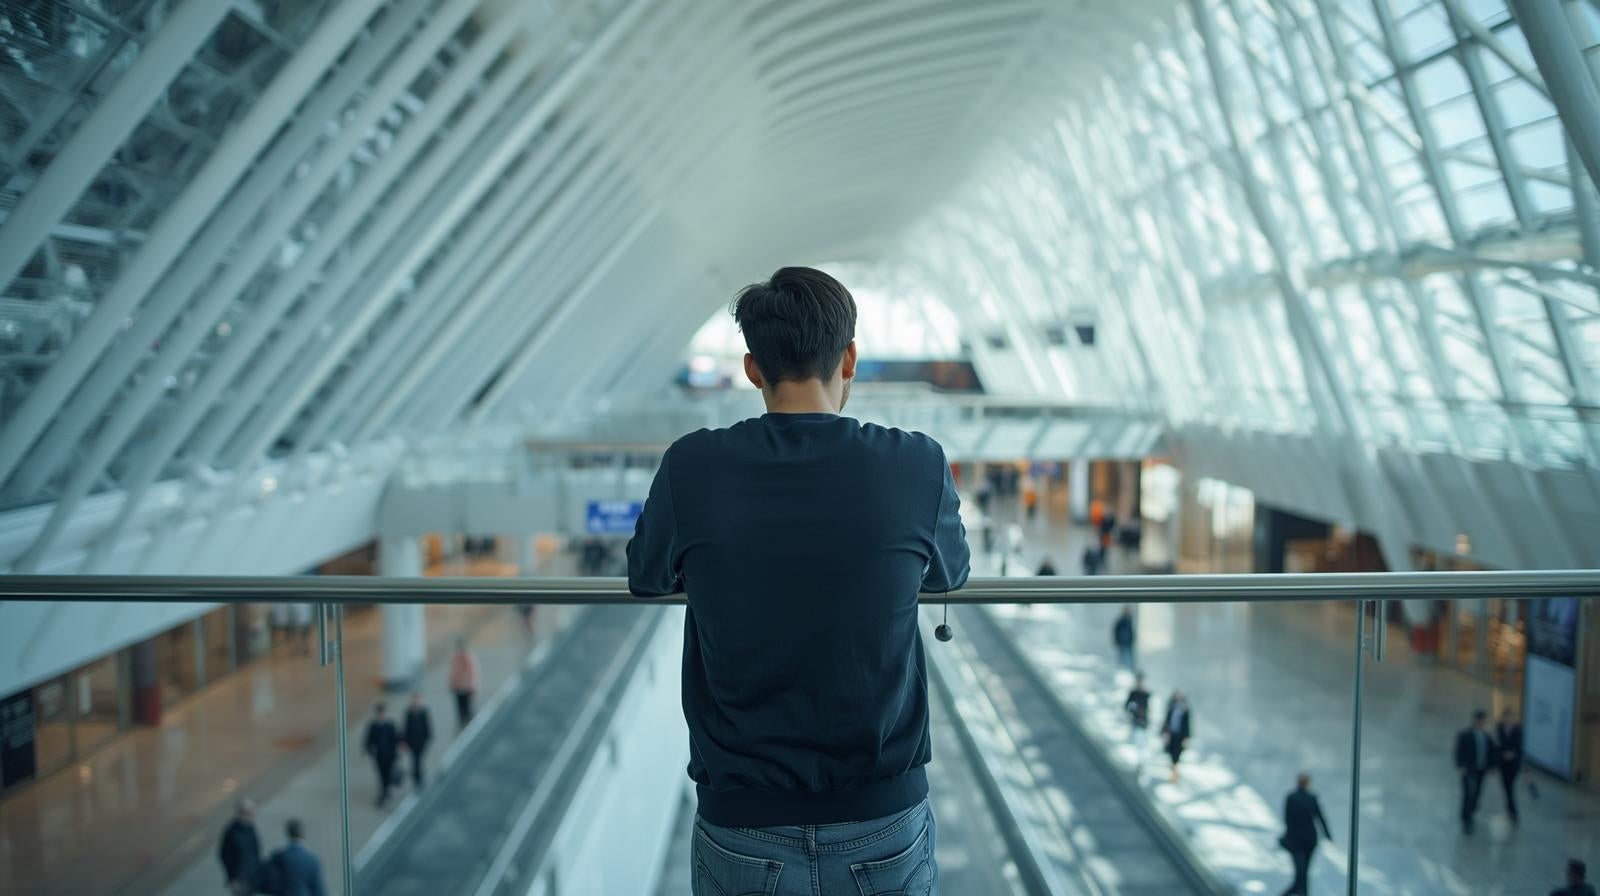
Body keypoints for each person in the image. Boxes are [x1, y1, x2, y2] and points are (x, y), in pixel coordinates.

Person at [627, 267, 969, 895]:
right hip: (883, 817)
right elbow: (952, 572)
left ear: (753, 369)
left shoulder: (693, 466)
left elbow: (646, 578)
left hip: (743, 823)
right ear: (850, 358)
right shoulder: (916, 463)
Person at [1280, 773, 1333, 895]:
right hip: (1309, 840)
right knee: (1303, 873)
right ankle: (1301, 892)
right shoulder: (1312, 798)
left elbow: (1287, 819)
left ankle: (1299, 892)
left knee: (1301, 873)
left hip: (1296, 841)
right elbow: (1320, 817)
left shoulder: (1291, 797)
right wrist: (1327, 835)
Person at [262, 819, 326, 896]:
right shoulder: (312, 860)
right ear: (303, 834)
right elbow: (318, 890)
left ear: (288, 833)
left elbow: (269, 883)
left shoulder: (278, 857)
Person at [1455, 709, 1494, 834]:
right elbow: (1459, 751)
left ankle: (1469, 812)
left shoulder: (1487, 736)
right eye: (1479, 720)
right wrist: (1461, 766)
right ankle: (1467, 818)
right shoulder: (1465, 735)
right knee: (1469, 793)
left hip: (1481, 769)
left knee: (1477, 793)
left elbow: (1492, 752)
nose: (1480, 722)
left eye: (1482, 720)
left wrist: (1492, 766)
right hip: (1468, 769)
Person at [218, 799, 262, 895]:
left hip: (252, 876)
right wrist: (232, 878)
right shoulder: (232, 831)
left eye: (251, 813)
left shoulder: (251, 828)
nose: (250, 816)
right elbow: (224, 855)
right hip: (238, 878)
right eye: (247, 813)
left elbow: (256, 851)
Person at [364, 701, 400, 808]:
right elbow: (368, 740)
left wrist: (397, 751)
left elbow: (396, 739)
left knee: (388, 774)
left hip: (390, 755)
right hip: (379, 755)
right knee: (381, 774)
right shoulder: (373, 725)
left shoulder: (390, 725)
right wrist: (370, 750)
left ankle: (385, 792)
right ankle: (385, 791)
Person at [1496, 708, 1523, 824]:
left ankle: (1513, 812)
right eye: (1506, 717)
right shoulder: (1500, 728)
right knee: (1506, 788)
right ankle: (1511, 810)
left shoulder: (1518, 730)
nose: (1508, 719)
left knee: (1509, 788)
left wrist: (1513, 754)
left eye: (1510, 717)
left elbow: (1520, 747)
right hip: (1503, 764)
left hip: (1513, 764)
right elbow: (1498, 745)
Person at [402, 692, 432, 789]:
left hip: (421, 741)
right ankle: (418, 777)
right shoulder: (409, 713)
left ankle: (418, 775)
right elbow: (406, 728)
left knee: (418, 759)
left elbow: (427, 726)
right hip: (412, 742)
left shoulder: (424, 712)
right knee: (416, 760)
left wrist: (428, 738)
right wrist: (404, 741)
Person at [449, 638, 480, 729]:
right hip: (458, 686)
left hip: (467, 687)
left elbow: (473, 673)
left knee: (468, 708)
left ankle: (470, 726)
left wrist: (473, 686)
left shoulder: (469, 658)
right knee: (460, 708)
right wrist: (452, 684)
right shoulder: (455, 658)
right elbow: (453, 673)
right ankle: (462, 725)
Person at [1162, 690, 1191, 783]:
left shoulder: (1185, 710)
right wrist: (1165, 732)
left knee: (1176, 754)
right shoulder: (1172, 708)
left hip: (1180, 736)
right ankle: (1173, 770)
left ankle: (1174, 773)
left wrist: (1186, 737)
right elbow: (1167, 720)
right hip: (1172, 734)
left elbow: (1187, 725)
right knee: (1171, 753)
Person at [1125, 673, 1151, 754]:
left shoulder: (1146, 694)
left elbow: (1148, 708)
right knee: (1136, 740)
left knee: (1142, 740)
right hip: (1135, 720)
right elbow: (1126, 706)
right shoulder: (1133, 693)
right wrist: (1133, 709)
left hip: (1143, 720)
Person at [1112, 605, 1136, 671]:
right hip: (1122, 642)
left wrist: (1132, 640)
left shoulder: (1130, 620)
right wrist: (1116, 641)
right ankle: (1122, 669)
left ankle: (1130, 669)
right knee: (1122, 656)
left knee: (1130, 657)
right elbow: (1116, 631)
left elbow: (1131, 632)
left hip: (1128, 642)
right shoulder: (1121, 620)